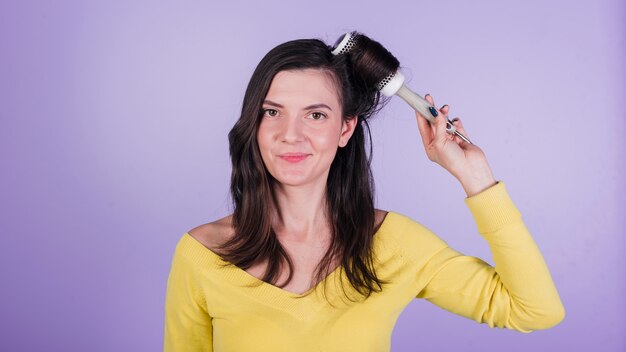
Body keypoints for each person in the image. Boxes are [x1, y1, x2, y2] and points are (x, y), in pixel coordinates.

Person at [163, 34, 565, 352]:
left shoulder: (394, 244)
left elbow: (535, 311)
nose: (290, 134)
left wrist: (476, 179)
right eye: (273, 112)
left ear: (345, 129)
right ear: (255, 123)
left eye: (316, 115)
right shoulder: (202, 255)